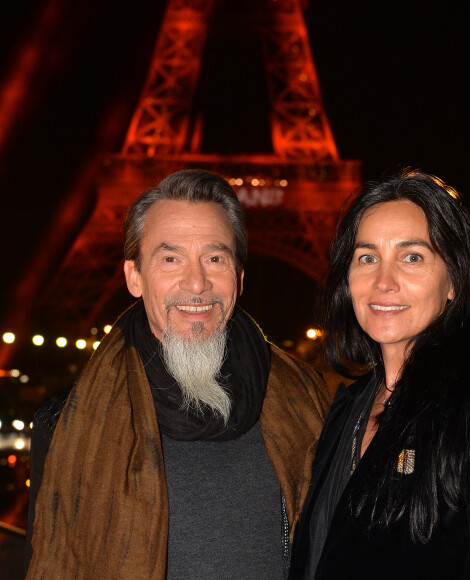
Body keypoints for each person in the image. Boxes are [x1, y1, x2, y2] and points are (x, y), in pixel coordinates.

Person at [25, 169, 331, 579]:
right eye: (171, 258)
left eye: (215, 258)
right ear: (134, 276)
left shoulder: (310, 400)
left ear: (238, 279)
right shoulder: (64, 423)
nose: (196, 282)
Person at [289, 170, 470, 579]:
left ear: (453, 278)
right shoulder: (348, 407)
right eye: (367, 257)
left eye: (412, 257)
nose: (383, 282)